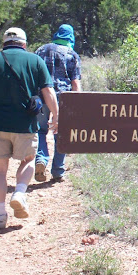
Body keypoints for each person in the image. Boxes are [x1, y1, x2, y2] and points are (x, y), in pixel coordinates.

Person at [0, 27, 59, 229]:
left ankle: (0, 216)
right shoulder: (35, 61)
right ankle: (19, 192)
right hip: (25, 124)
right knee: (28, 160)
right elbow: (48, 91)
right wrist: (56, 115)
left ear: (3, 43)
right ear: (24, 44)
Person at [34, 24, 82, 182]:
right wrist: (78, 105)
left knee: (40, 130)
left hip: (41, 96)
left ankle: (41, 159)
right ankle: (58, 170)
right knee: (61, 132)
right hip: (63, 99)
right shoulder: (72, 54)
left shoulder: (41, 50)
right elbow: (75, 83)